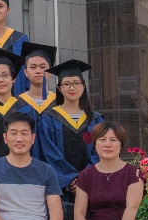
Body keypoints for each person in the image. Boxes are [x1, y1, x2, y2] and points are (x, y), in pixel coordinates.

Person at [37, 59, 104, 191]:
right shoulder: (48, 118)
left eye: (76, 83)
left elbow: (100, 152)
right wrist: (69, 179)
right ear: (59, 88)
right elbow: (48, 152)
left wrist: (84, 179)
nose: (72, 88)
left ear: (83, 86)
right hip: (59, 188)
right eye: (66, 84)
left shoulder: (96, 119)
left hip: (91, 187)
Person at [16, 41, 58, 114]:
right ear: (25, 72)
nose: (38, 71)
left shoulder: (60, 103)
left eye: (42, 67)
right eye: (33, 67)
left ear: (50, 71)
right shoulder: (17, 104)